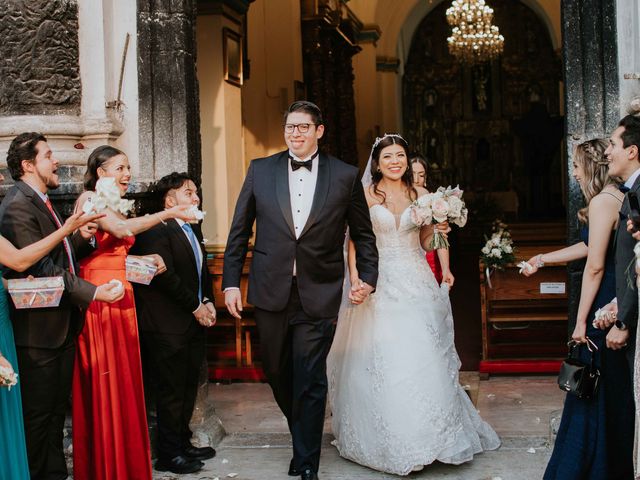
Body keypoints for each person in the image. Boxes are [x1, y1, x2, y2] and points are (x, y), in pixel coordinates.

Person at [223, 101, 379, 480]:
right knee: (277, 370)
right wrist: (230, 281)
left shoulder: (344, 176)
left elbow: (363, 234)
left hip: (320, 291)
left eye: (303, 127)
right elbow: (239, 230)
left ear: (319, 131)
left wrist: (368, 277)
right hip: (271, 288)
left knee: (310, 376)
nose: (295, 133)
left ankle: (307, 461)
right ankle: (302, 437)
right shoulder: (261, 170)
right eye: (290, 127)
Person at [327, 134, 499, 476]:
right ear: (376, 162)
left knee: (422, 354)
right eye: (388, 156)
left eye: (400, 155)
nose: (395, 161)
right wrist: (356, 279)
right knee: (381, 357)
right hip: (379, 281)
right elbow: (355, 242)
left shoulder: (420, 195)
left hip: (415, 278)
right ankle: (387, 437)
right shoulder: (363, 195)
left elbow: (424, 241)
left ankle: (431, 437)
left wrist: (438, 228)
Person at [0, 133, 124, 480]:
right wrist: (94, 293)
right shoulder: (17, 206)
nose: (57, 162)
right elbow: (40, 269)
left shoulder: (40, 199)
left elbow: (58, 255)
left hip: (59, 328)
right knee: (38, 421)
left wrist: (81, 239)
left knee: (55, 416)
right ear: (28, 165)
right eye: (49, 155)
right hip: (37, 335)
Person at [71, 146, 197, 480]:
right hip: (102, 297)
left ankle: (125, 463)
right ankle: (107, 464)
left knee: (127, 382)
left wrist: (142, 262)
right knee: (106, 380)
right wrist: (168, 214)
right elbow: (122, 233)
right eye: (120, 168)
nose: (128, 174)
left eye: (128, 168)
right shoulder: (89, 200)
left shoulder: (115, 204)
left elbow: (117, 250)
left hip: (122, 292)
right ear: (100, 172)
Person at [522, 139, 633, 479]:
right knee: (611, 387)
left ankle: (589, 466)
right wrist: (543, 259)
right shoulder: (618, 197)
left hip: (605, 299)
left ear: (588, 166)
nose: (571, 172)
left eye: (574, 165)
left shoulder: (602, 201)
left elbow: (595, 265)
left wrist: (581, 321)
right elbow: (588, 245)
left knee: (592, 384)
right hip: (617, 292)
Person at [131, 172, 216, 475]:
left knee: (188, 386)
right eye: (188, 193)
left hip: (191, 321)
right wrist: (195, 306)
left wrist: (207, 300)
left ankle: (183, 441)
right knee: (170, 392)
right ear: (169, 201)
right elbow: (166, 279)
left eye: (196, 192)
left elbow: (199, 273)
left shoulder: (191, 229)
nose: (195, 198)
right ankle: (168, 454)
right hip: (166, 324)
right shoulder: (156, 230)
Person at [410, 155, 454, 287]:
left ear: (426, 178)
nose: (416, 180)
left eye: (421, 175)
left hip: (426, 256)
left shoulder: (433, 201)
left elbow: (441, 235)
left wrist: (446, 268)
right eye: (412, 174)